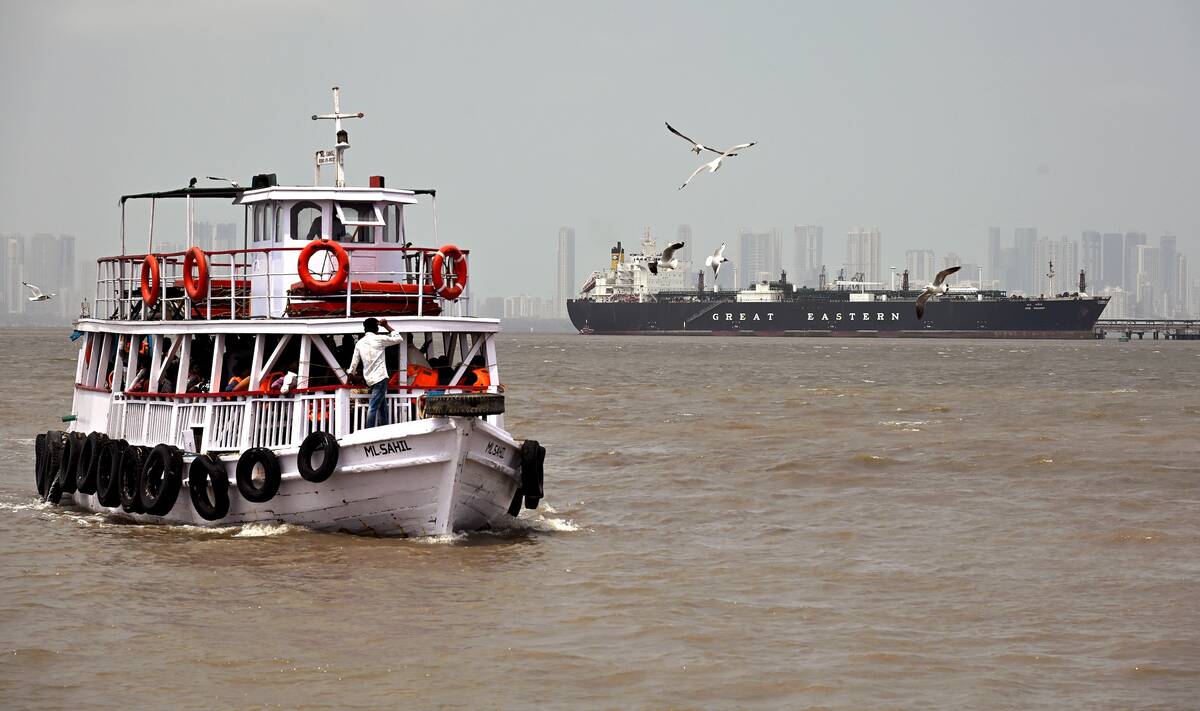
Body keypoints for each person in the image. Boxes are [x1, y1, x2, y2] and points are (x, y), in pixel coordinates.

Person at [348, 317, 406, 428]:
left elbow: (353, 366)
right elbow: (399, 338)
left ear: (365, 329)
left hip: (369, 379)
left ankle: (384, 427)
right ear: (376, 328)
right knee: (373, 406)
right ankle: (370, 430)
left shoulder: (359, 343)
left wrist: (348, 381)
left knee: (382, 405)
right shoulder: (379, 339)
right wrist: (386, 326)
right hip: (380, 377)